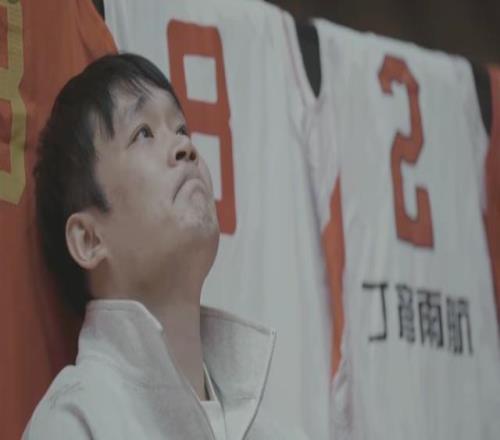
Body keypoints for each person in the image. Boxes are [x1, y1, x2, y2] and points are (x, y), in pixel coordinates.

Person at [23, 53, 282, 440]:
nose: (185, 147)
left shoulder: (271, 429)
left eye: (181, 129)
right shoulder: (75, 419)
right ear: (89, 240)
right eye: (143, 133)